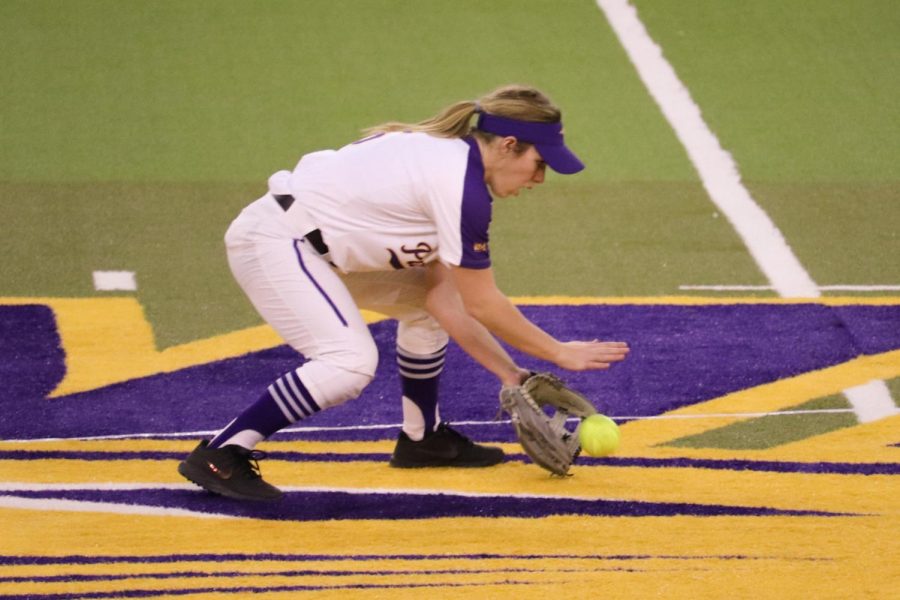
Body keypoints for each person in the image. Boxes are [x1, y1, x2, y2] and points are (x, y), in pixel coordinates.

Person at [178, 84, 629, 501]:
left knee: (425, 311)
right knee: (348, 362)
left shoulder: (454, 166)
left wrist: (513, 376)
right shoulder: (457, 185)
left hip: (322, 248)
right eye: (540, 164)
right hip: (278, 242)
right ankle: (222, 453)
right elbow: (483, 302)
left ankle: (423, 439)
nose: (540, 179)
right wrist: (557, 353)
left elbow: (442, 299)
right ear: (509, 145)